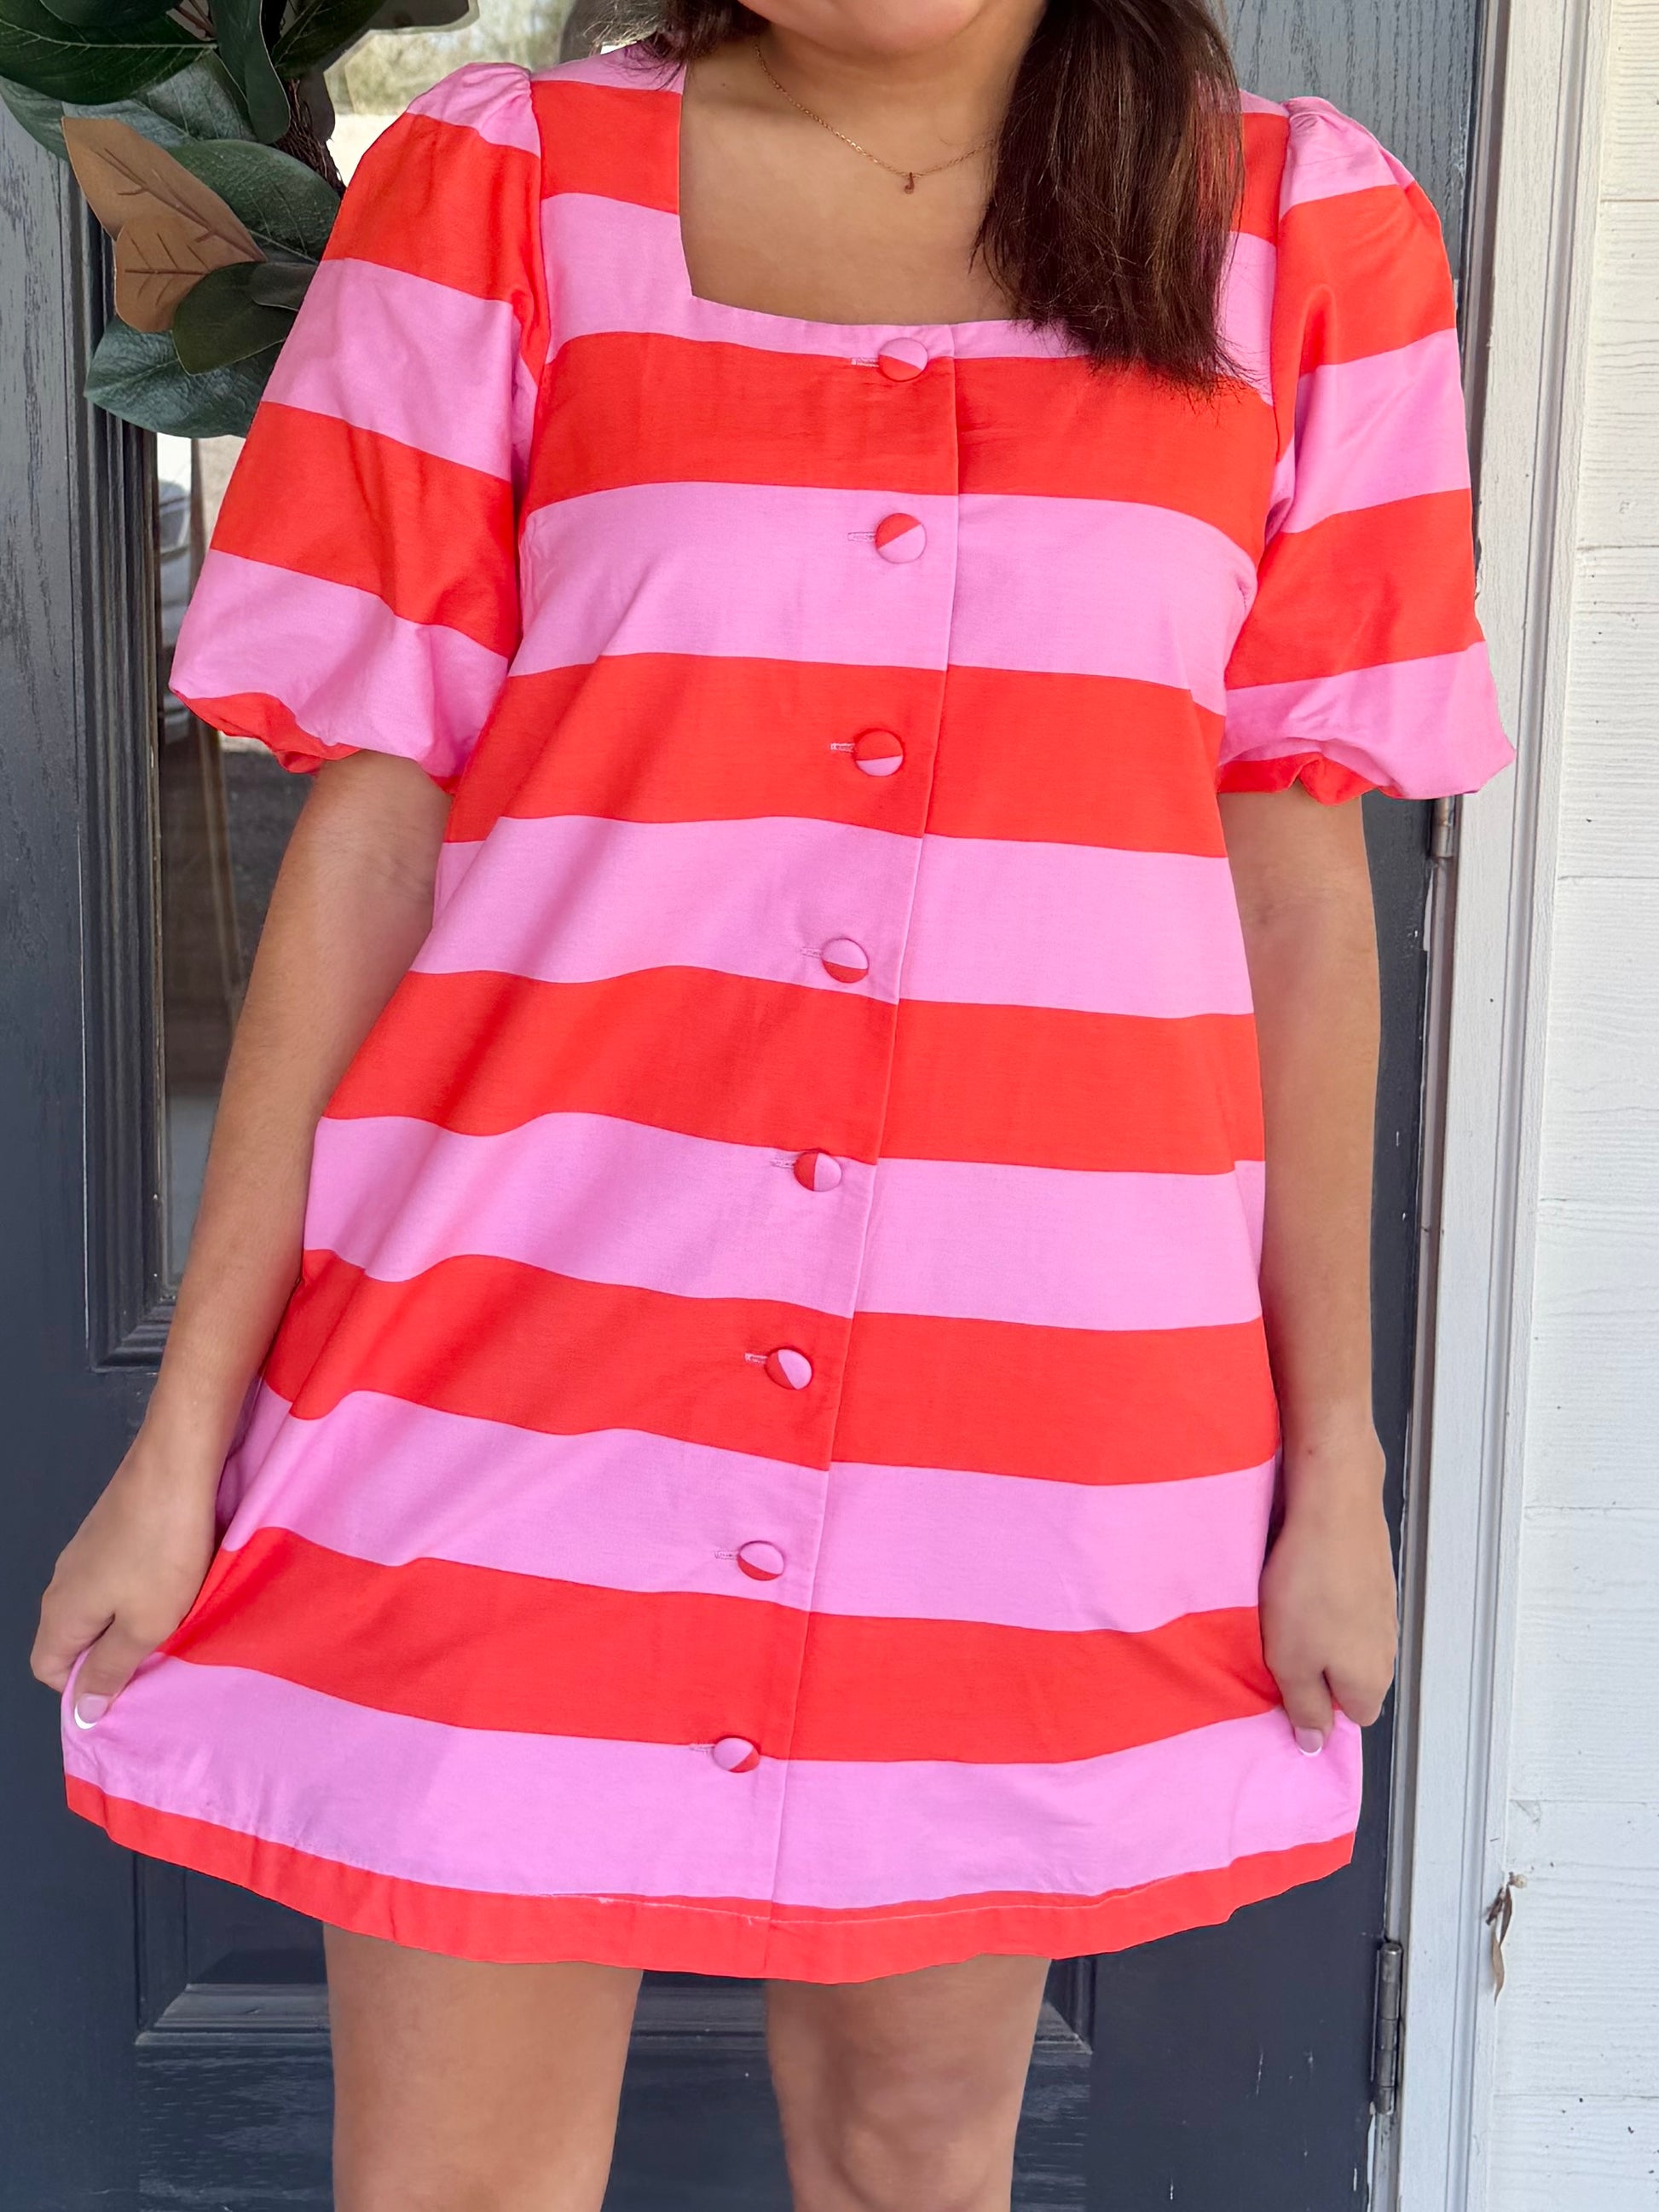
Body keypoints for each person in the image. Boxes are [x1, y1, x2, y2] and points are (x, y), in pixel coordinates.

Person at [32, 3, 1514, 2206]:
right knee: (451, 2179)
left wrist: (1337, 1465)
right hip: (512, 1355)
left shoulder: (1303, 232)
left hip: (1031, 1398)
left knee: (916, 2148)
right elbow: (370, 846)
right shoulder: (503, 186)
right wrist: (187, 1442)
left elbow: (1297, 897)